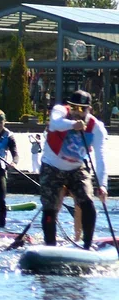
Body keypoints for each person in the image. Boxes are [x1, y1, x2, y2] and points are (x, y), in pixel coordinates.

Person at [40, 91, 108, 248]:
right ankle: (50, 247)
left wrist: (102, 185)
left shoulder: (96, 127)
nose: (77, 112)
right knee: (50, 209)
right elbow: (55, 124)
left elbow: (100, 157)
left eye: (82, 109)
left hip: (76, 167)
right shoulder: (60, 111)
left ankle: (87, 245)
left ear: (89, 109)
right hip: (52, 166)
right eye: (74, 108)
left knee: (88, 204)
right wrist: (73, 125)